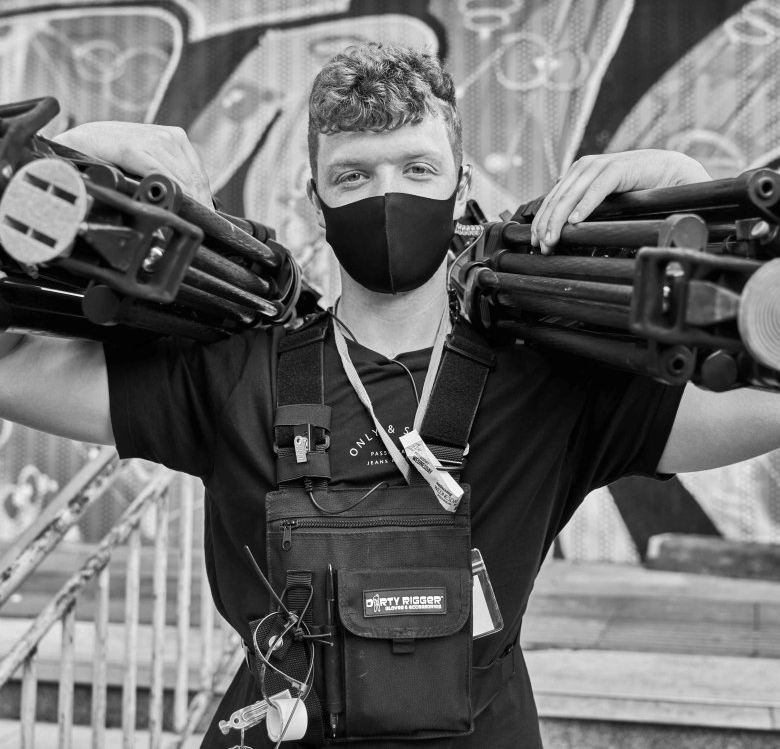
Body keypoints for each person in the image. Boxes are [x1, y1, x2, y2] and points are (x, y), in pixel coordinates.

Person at [1, 42, 778, 748]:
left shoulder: (554, 380)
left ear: (461, 184)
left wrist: (697, 204)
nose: (387, 196)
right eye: (354, 175)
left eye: (416, 169)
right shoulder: (225, 369)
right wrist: (63, 166)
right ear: (316, 200)